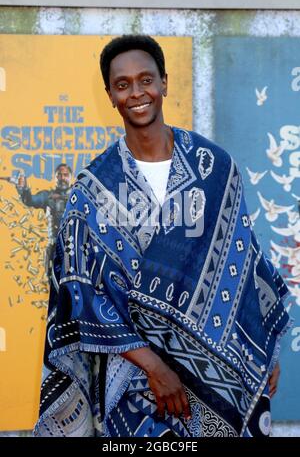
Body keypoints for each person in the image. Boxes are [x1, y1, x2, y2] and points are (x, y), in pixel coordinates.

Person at [34, 35, 290, 438]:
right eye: (123, 85)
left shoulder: (214, 168)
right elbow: (82, 294)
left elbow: (242, 261)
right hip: (131, 382)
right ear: (110, 95)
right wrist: (155, 367)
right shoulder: (93, 188)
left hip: (216, 376)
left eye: (145, 79)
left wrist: (260, 346)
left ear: (164, 83)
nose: (137, 93)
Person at [16, 164, 73, 278]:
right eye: (59, 175)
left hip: (73, 246)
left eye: (65, 175)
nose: (62, 178)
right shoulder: (48, 196)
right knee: (52, 278)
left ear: (71, 177)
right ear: (55, 177)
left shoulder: (78, 195)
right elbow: (30, 200)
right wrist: (24, 189)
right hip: (54, 245)